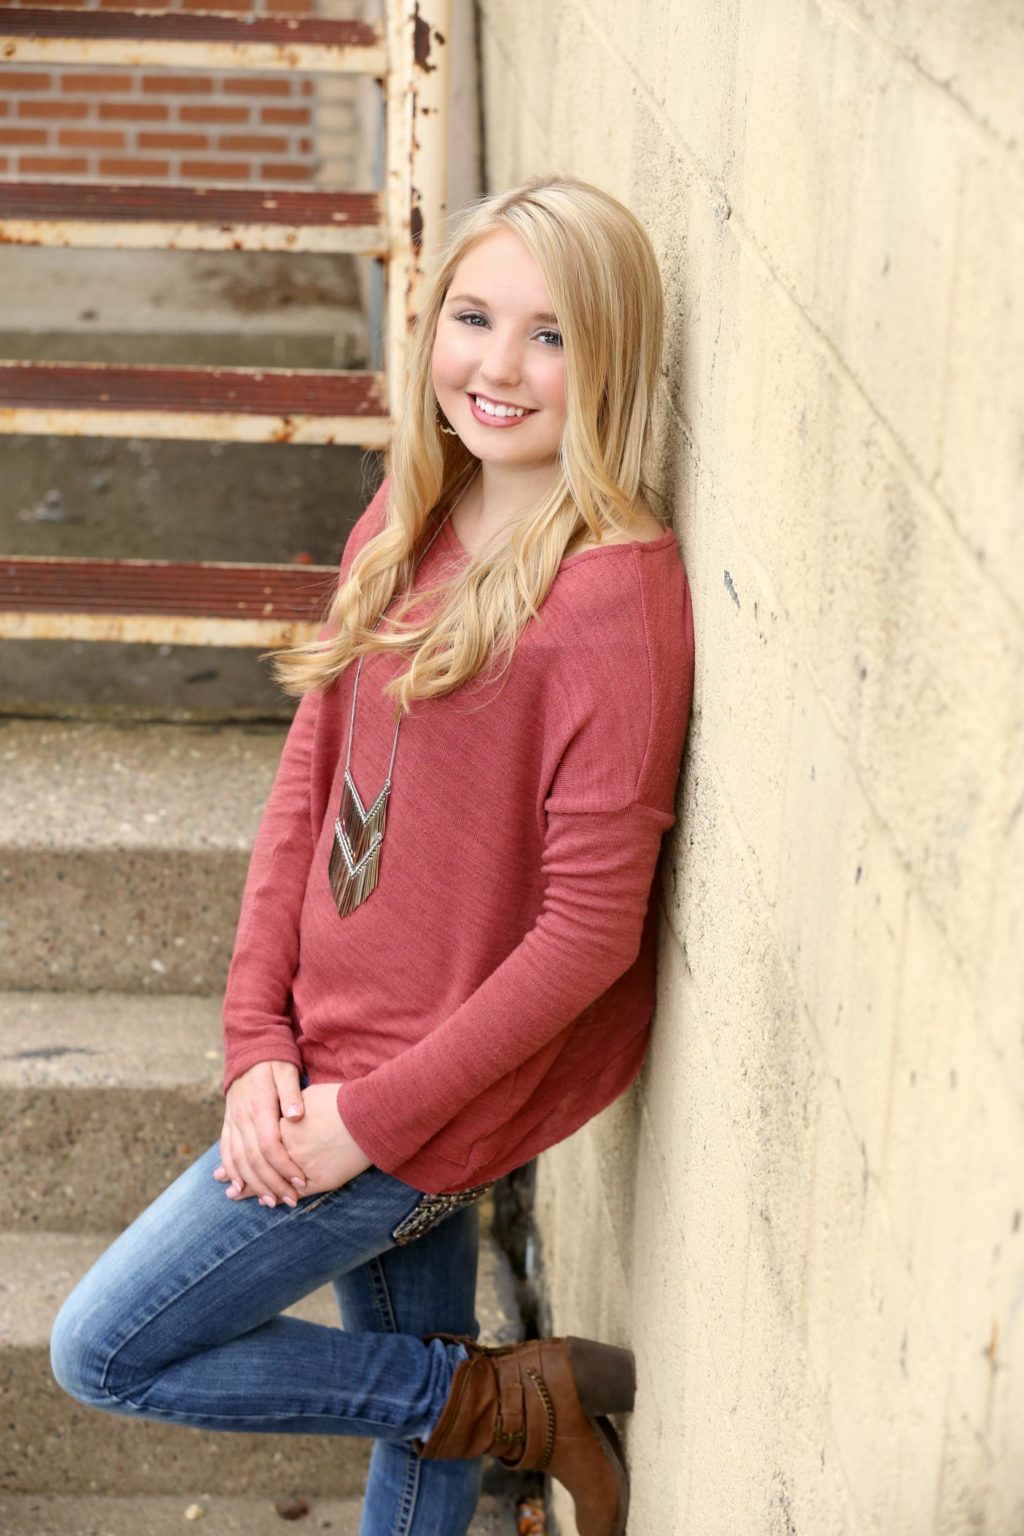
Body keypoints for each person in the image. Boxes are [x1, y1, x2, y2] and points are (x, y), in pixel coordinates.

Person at [50, 174, 696, 1536]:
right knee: (424, 1422)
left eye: (552, 334)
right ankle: (491, 1398)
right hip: (317, 1060)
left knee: (104, 1349)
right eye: (474, 316)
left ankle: (514, 1400)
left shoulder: (613, 607)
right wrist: (256, 1040)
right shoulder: (418, 512)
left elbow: (589, 940)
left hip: (414, 1108)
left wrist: (366, 1123)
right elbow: (311, 782)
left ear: (616, 357)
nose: (500, 367)